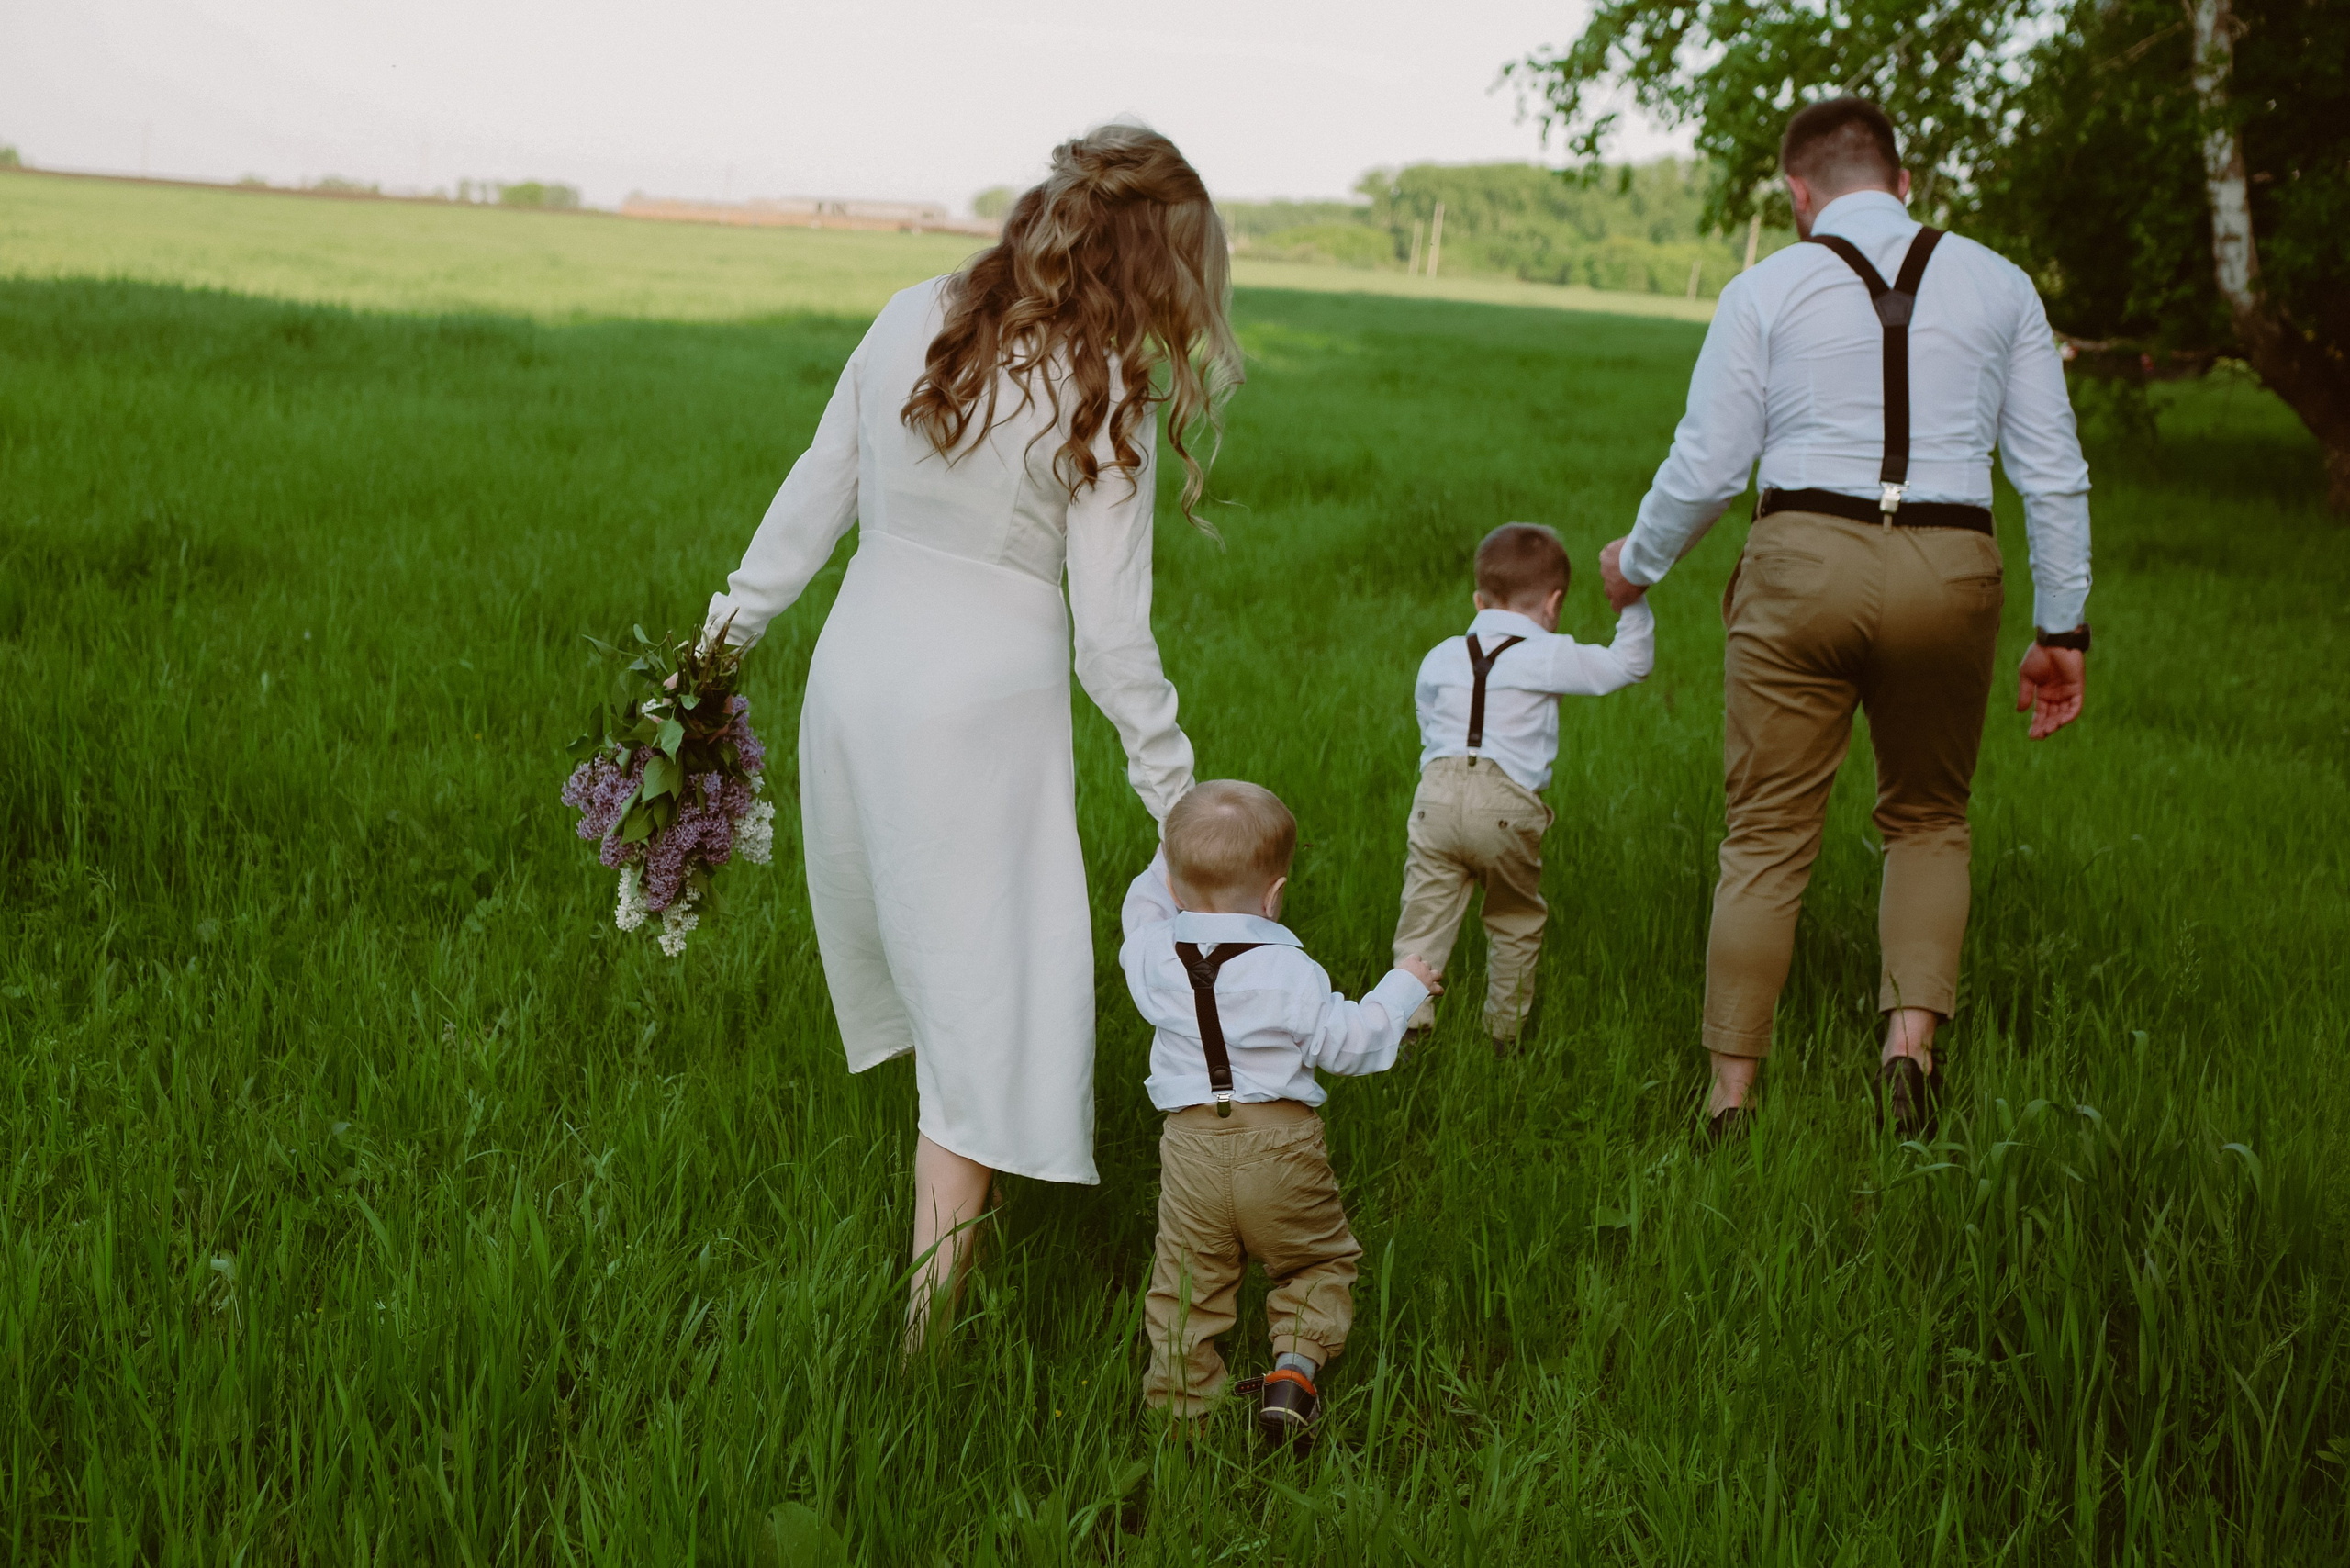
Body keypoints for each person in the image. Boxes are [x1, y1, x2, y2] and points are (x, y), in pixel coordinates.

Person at [701, 126, 1242, 1346]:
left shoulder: (910, 310)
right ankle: (927, 1326)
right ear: (1153, 259)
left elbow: (814, 490)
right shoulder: (1106, 384)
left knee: (949, 982)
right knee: (985, 995)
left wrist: (714, 649)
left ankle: (940, 1277)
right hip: (976, 709)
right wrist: (1183, 804)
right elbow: (1111, 641)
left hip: (857, 674)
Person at [1597, 98, 2092, 1139]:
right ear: (1904, 183)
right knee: (1927, 818)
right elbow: (2051, 472)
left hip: (1800, 561)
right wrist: (2063, 630)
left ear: (1798, 194)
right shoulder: (2000, 283)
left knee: (1766, 837)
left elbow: (1708, 466)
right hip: (1952, 564)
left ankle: (1729, 1097)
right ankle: (1908, 1054)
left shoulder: (1763, 286)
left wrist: (1634, 566)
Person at [1121, 781, 1438, 1442]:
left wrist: (1167, 846)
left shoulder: (1152, 955)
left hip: (1190, 1150)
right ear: (1274, 896)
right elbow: (1351, 1043)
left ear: (1175, 890)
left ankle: (1180, 1424)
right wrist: (1404, 985)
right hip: (1283, 1145)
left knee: (1188, 1283)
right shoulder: (1288, 971)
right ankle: (1293, 1372)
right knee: (1315, 1261)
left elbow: (1145, 907)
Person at [1392, 523, 1655, 1056]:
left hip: (1436, 795)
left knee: (1423, 916)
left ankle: (1407, 1026)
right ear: (1555, 603)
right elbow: (1630, 665)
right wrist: (1633, 605)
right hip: (1505, 807)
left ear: (1478, 599)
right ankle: (1502, 1037)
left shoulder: (1441, 654)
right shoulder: (1549, 653)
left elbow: (1427, 716)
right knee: (1513, 918)